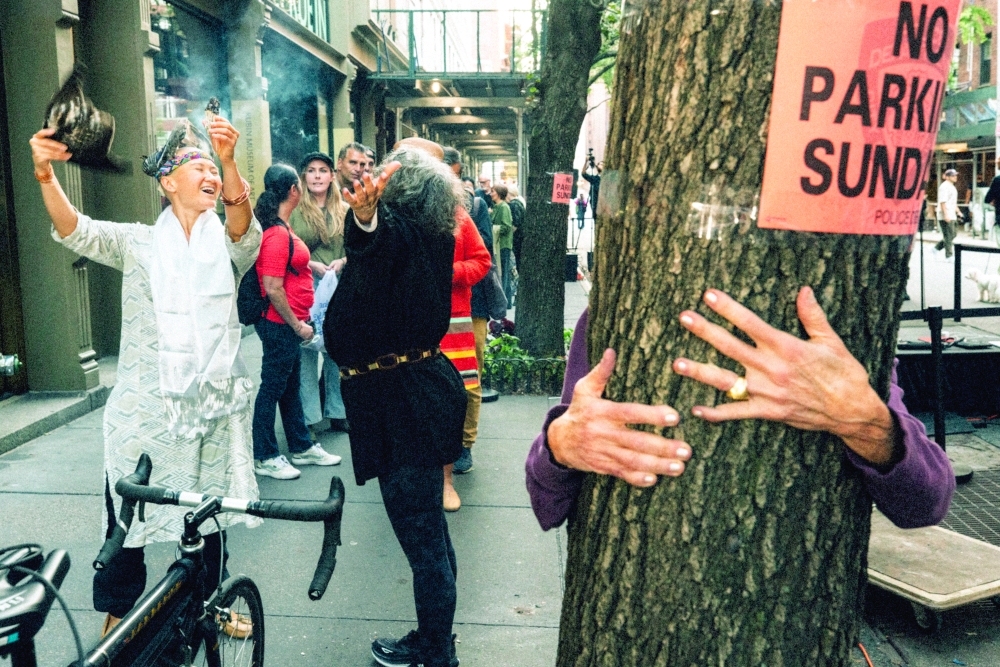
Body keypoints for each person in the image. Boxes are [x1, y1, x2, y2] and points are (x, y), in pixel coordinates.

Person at [31, 116, 261, 634]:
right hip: (143, 414)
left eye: (212, 168)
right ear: (166, 182)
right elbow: (75, 230)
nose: (207, 173)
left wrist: (228, 161)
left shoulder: (227, 245)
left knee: (210, 514)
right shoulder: (136, 243)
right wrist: (46, 175)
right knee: (127, 520)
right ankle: (118, 614)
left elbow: (245, 230)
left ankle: (213, 602)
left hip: (209, 411)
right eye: (196, 165)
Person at [527, 288, 955, 532]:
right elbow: (546, 505)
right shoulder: (610, 317)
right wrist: (561, 443)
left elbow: (927, 503)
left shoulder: (838, 323)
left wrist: (868, 423)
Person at [324, 146, 467, 667]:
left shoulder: (403, 232)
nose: (371, 175)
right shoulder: (428, 234)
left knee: (424, 539)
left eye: (384, 172)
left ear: (399, 189)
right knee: (428, 533)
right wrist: (366, 221)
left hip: (405, 403)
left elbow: (378, 239)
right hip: (409, 397)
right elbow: (378, 249)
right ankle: (435, 641)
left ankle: (436, 652)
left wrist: (365, 218)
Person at [252, 164, 341, 480]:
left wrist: (310, 264)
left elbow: (288, 270)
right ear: (293, 190)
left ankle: (301, 446)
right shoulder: (276, 233)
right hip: (279, 324)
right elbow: (273, 288)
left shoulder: (281, 229)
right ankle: (264, 455)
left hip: (284, 324)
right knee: (273, 388)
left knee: (288, 388)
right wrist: (297, 325)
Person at [288, 152, 350, 434]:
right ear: (304, 177)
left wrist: (343, 262)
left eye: (322, 170)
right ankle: (310, 417)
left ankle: (338, 412)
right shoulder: (294, 210)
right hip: (306, 285)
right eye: (310, 170)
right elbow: (287, 245)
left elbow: (357, 246)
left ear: (332, 176)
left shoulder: (346, 209)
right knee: (308, 351)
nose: (316, 176)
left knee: (338, 349)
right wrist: (310, 263)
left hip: (338, 284)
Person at [491, 183, 515, 307]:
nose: (491, 193)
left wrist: (493, 228)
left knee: (504, 273)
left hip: (503, 245)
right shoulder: (497, 206)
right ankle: (506, 301)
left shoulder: (504, 207)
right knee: (502, 272)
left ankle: (505, 301)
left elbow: (506, 226)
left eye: (493, 191)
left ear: (499, 193)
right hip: (499, 245)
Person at [936, 168, 962, 258]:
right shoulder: (944, 186)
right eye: (953, 175)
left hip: (952, 213)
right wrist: (946, 215)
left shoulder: (952, 186)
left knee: (953, 234)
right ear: (947, 177)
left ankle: (936, 248)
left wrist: (958, 211)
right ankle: (949, 255)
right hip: (945, 214)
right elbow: (943, 201)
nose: (955, 177)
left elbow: (952, 202)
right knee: (949, 235)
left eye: (955, 175)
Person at [508, 184, 526, 269]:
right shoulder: (519, 203)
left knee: (517, 257)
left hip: (517, 237)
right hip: (521, 235)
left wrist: (510, 234)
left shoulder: (513, 204)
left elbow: (516, 223)